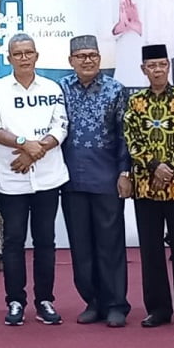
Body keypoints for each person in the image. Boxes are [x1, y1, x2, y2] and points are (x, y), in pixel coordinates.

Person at [0, 32, 69, 327]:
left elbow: (61, 126)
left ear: (36, 56)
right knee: (13, 241)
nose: (23, 58)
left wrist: (34, 152)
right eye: (17, 54)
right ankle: (15, 301)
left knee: (45, 241)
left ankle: (45, 300)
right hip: (12, 179)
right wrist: (23, 143)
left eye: (28, 53)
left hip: (47, 178)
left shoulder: (52, 87)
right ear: (9, 58)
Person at [123, 43, 174, 328]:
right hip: (146, 187)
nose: (157, 70)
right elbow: (132, 140)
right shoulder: (135, 102)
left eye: (161, 65)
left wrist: (170, 168)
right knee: (151, 250)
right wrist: (155, 166)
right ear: (143, 69)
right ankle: (158, 309)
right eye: (151, 66)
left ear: (168, 66)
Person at [59, 34, 131, 327]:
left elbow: (125, 136)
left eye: (93, 55)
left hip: (107, 180)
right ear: (71, 61)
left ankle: (115, 304)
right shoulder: (61, 89)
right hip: (71, 180)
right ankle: (93, 302)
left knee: (110, 244)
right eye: (81, 56)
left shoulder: (116, 90)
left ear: (100, 59)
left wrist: (125, 173)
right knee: (81, 246)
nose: (87, 61)